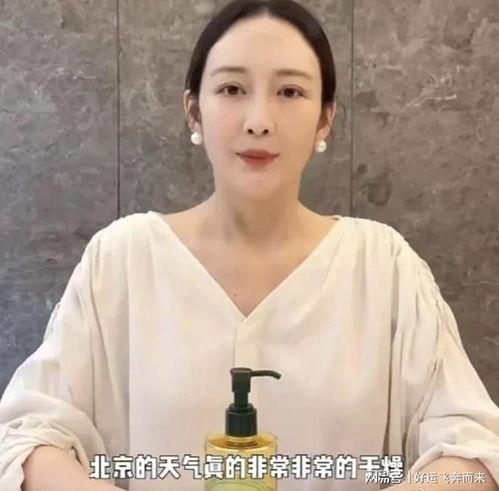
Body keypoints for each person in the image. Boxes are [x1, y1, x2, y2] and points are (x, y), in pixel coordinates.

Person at [1, 0, 499, 490]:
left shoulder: (383, 268)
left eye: (290, 92)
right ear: (194, 111)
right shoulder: (122, 260)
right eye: (232, 89)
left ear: (325, 118)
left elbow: (474, 450)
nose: (259, 120)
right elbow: (26, 434)